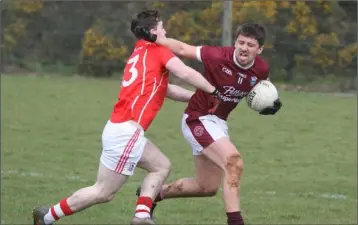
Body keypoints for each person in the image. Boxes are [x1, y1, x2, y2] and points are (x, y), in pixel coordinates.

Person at [32, 10, 224, 225]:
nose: (165, 31)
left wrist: (194, 98)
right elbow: (186, 73)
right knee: (103, 192)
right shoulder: (158, 50)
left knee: (160, 166)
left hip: (118, 128)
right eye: (162, 28)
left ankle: (48, 217)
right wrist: (213, 91)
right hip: (128, 131)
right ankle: (51, 217)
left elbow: (166, 89)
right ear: (153, 32)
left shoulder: (140, 52)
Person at [134, 23, 282, 225]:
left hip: (218, 123)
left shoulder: (261, 69)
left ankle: (152, 194)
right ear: (235, 42)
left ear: (260, 49)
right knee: (234, 162)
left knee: (206, 187)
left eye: (250, 45)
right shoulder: (217, 56)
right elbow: (183, 49)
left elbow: (261, 89)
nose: (244, 48)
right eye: (241, 42)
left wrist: (270, 102)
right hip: (198, 118)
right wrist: (154, 38)